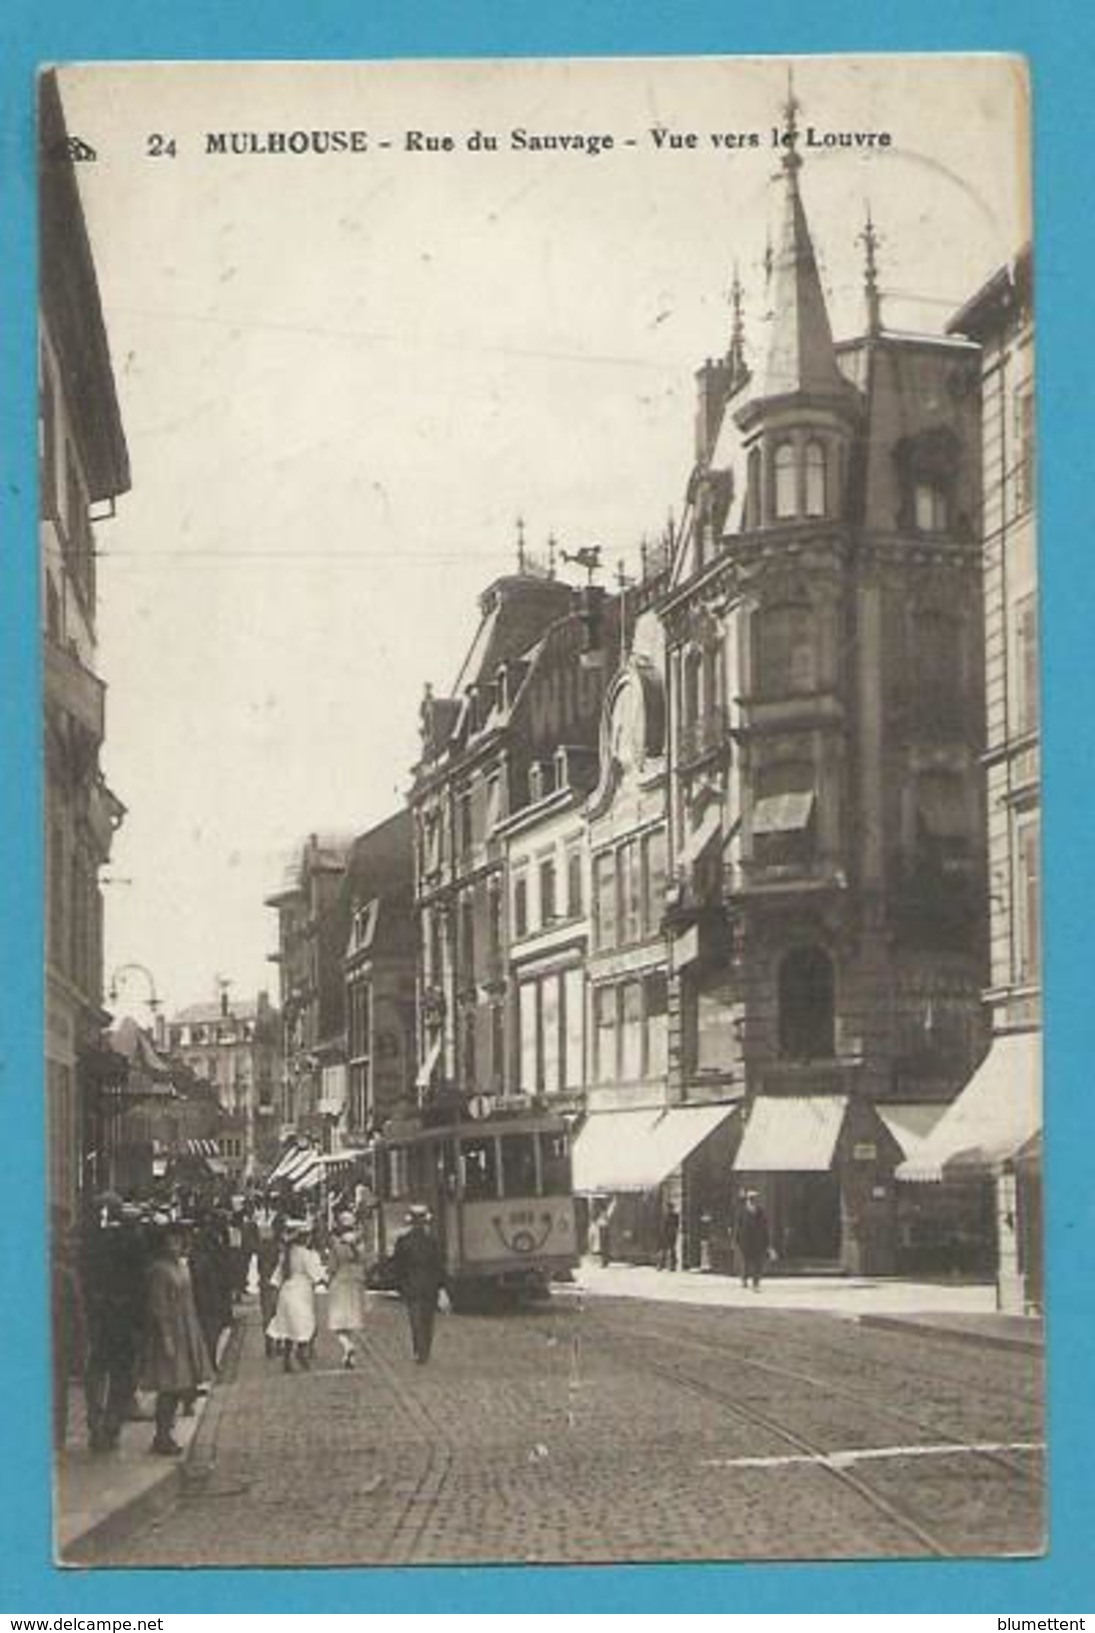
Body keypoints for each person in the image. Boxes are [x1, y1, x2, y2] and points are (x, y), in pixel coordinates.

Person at [79, 1196, 147, 1452]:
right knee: (120, 1372)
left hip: (99, 1317)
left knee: (97, 1371)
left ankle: (97, 1424)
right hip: (123, 1318)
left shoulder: (89, 1243)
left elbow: (85, 1281)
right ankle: (110, 1424)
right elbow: (140, 1283)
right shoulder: (132, 1242)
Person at [140, 1222, 211, 1457]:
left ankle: (166, 1432)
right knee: (169, 1387)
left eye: (180, 1240)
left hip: (187, 1330)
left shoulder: (181, 1266)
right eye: (173, 1241)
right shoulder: (159, 1270)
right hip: (170, 1333)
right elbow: (157, 1307)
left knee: (181, 1385)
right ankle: (161, 1436)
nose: (178, 1245)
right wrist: (166, 1337)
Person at [266, 1221, 326, 1372]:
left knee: (288, 1327)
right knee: (304, 1324)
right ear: (305, 1238)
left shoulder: (286, 1254)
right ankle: (301, 1352)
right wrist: (324, 1280)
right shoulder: (306, 1254)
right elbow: (316, 1275)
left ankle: (287, 1359)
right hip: (301, 1293)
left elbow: (276, 1278)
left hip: (286, 1293)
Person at [391, 1205, 446, 1365]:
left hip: (412, 1286)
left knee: (415, 1320)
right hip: (430, 1286)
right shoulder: (432, 1242)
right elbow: (438, 1266)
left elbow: (398, 1267)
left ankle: (419, 1350)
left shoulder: (403, 1242)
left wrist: (400, 1285)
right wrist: (441, 1286)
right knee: (428, 1321)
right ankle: (425, 1350)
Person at [325, 1211, 367, 1369]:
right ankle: (350, 1355)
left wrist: (328, 1280)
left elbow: (332, 1266)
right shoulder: (360, 1243)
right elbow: (365, 1262)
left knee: (338, 1323)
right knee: (352, 1320)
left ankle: (347, 1346)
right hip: (356, 1281)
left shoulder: (336, 1243)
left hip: (340, 1281)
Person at [734, 1190, 770, 1291]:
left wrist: (766, 1241)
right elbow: (738, 1226)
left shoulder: (760, 1211)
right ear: (747, 1200)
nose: (752, 1201)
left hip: (757, 1241)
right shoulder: (742, 1211)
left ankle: (756, 1283)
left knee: (757, 1263)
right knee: (745, 1262)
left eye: (754, 1199)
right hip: (745, 1241)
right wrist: (737, 1240)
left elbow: (764, 1227)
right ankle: (744, 1279)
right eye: (750, 1199)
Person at [657, 1203, 680, 1272]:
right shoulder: (671, 1216)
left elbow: (676, 1226)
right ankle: (663, 1265)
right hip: (668, 1235)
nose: (669, 1210)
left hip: (670, 1235)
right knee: (666, 1250)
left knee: (670, 1250)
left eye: (670, 1208)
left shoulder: (672, 1216)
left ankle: (670, 1266)